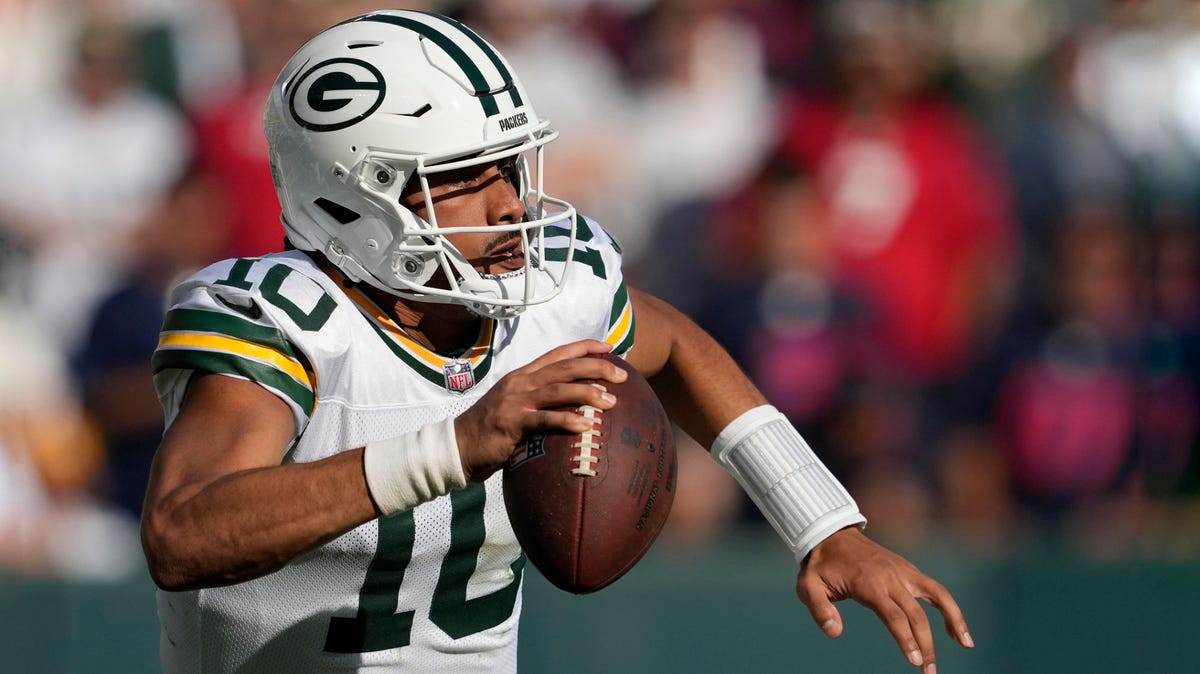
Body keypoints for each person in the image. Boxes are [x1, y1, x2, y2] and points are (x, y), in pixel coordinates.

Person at [140, 10, 972, 673]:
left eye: (509, 165)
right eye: (462, 178)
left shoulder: (552, 287)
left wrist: (823, 524)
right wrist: (454, 447)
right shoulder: (286, 321)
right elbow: (183, 535)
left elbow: (677, 346)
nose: (509, 205)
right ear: (356, 198)